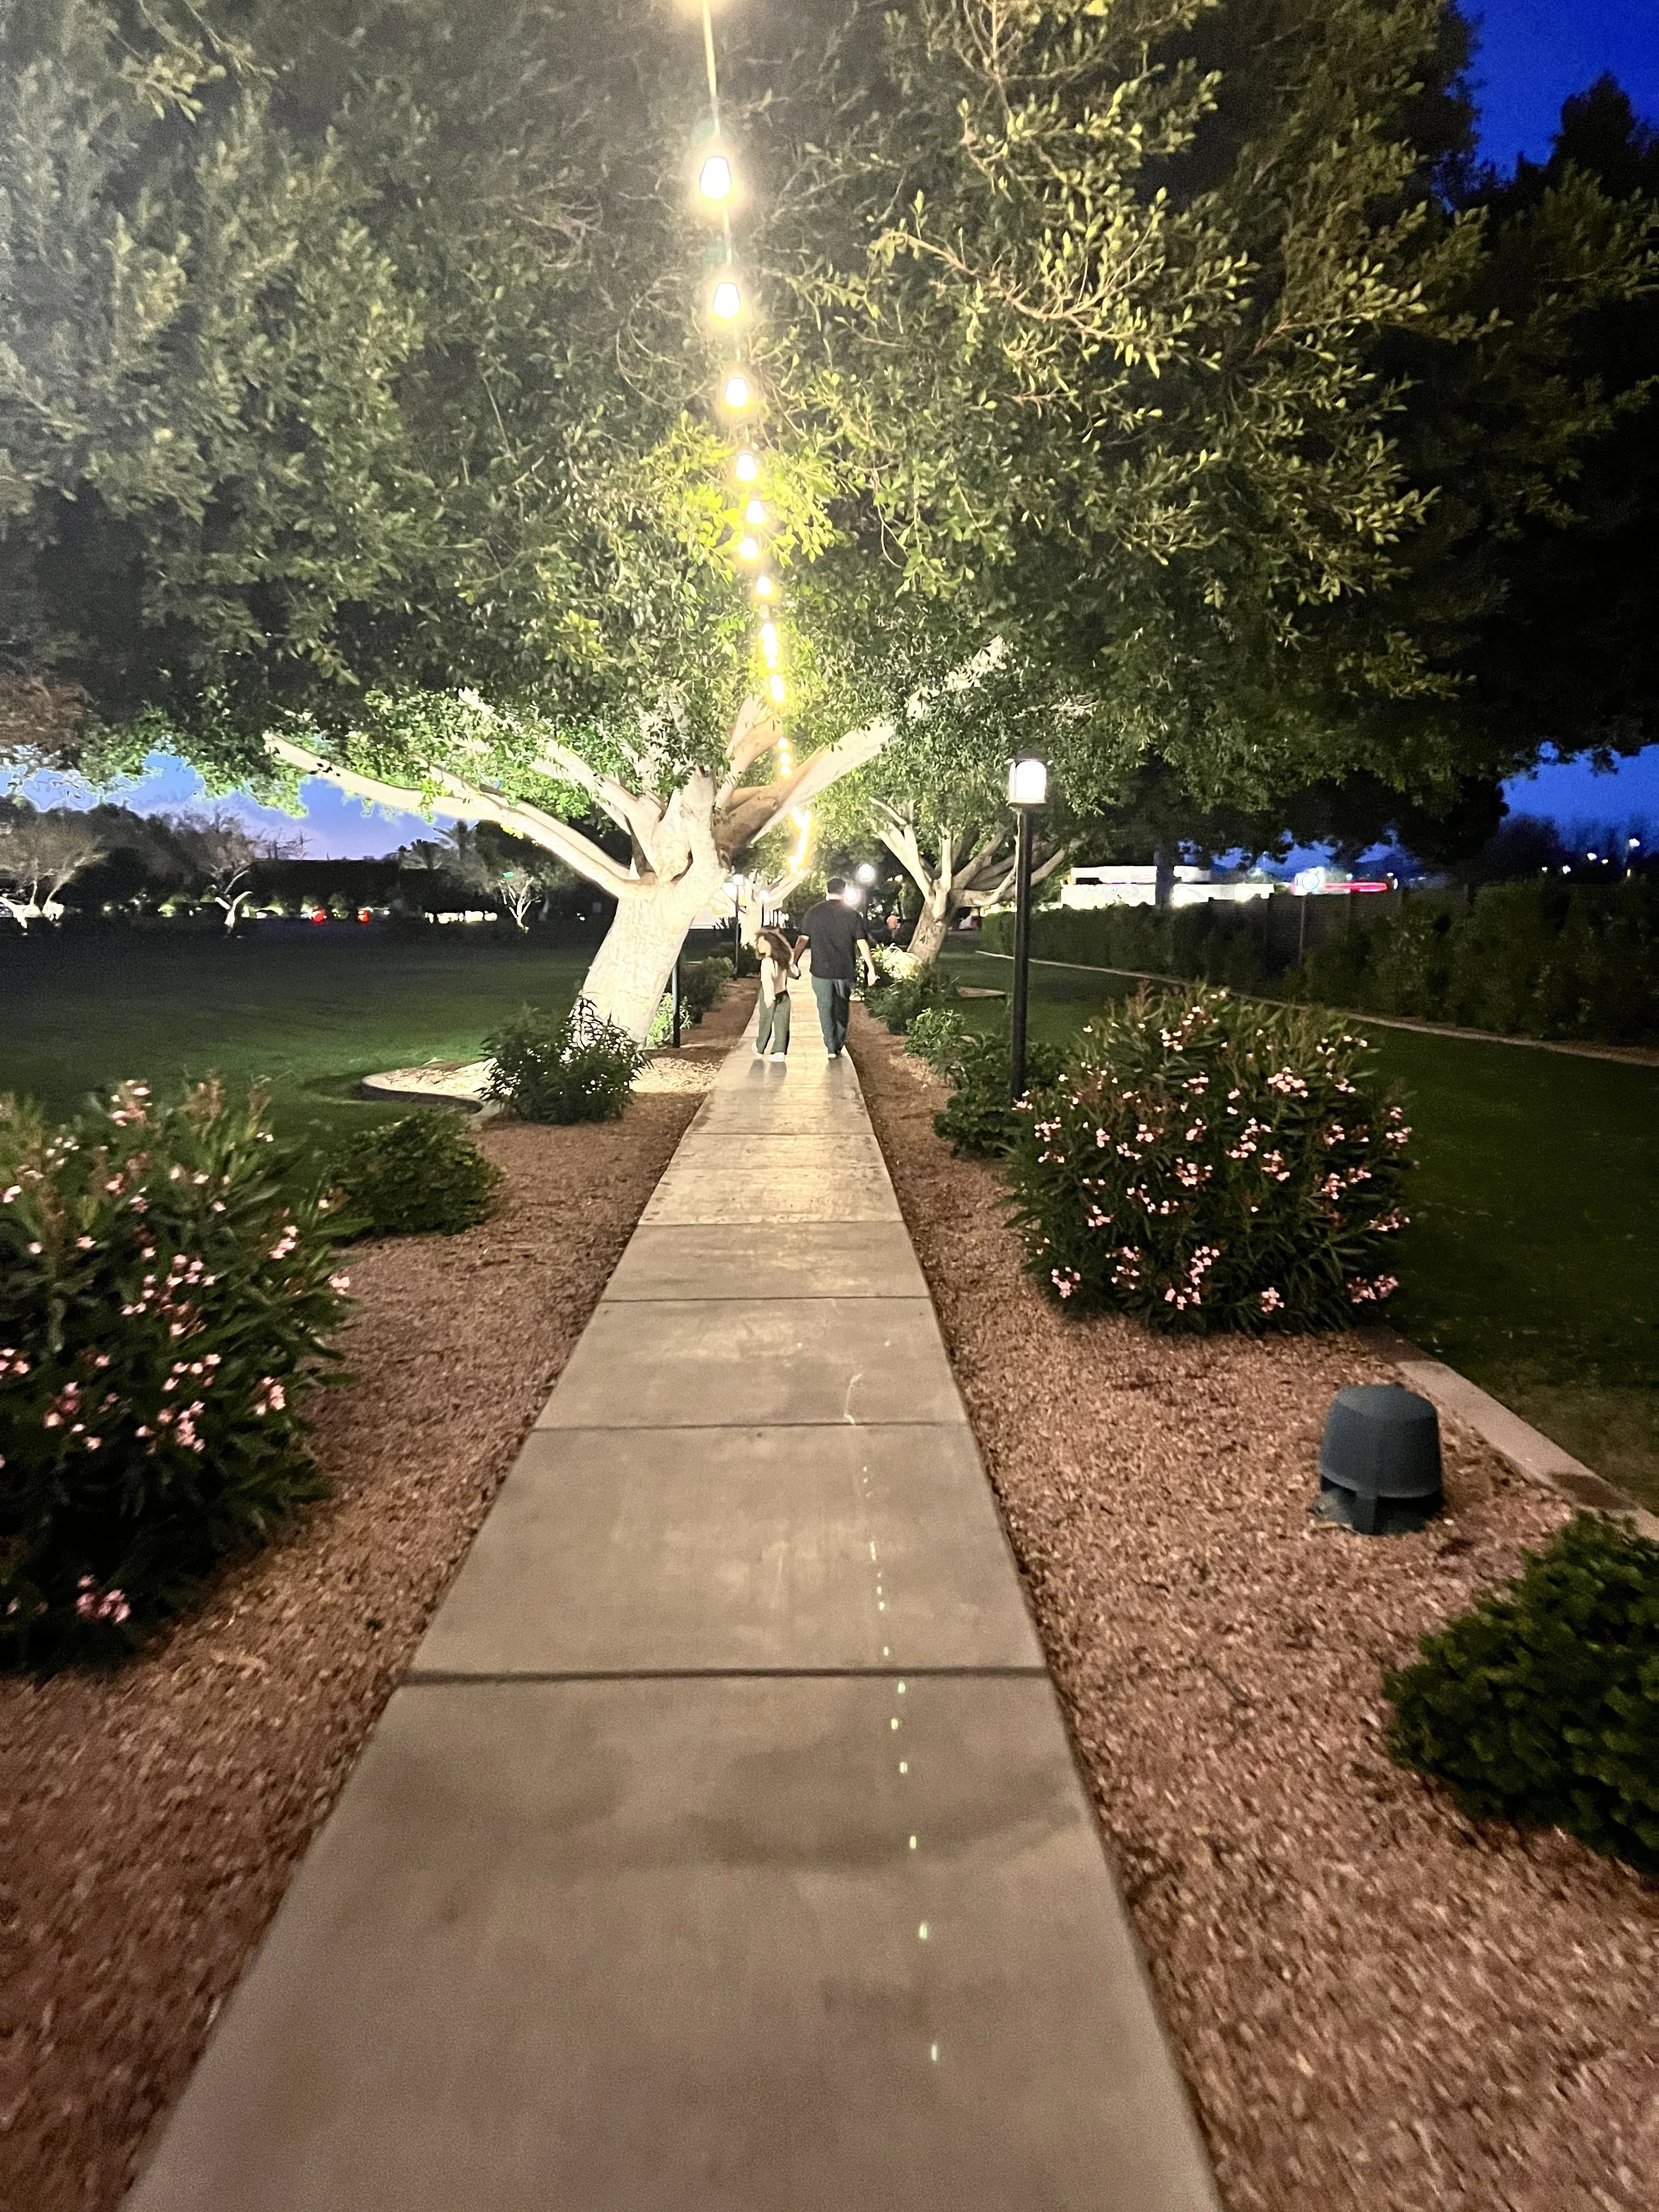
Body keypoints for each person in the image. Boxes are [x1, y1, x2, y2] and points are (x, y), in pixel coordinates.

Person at [794, 877, 877, 1059]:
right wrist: (871, 969)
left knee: (825, 1007)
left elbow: (803, 940)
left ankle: (830, 1045)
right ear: (844, 891)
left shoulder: (814, 913)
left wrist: (793, 963)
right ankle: (839, 1042)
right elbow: (862, 943)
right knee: (842, 1007)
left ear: (827, 890)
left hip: (820, 971)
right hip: (844, 970)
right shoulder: (852, 914)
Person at [753, 926, 796, 1062]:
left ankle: (761, 1047)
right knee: (781, 1022)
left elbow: (767, 981)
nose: (759, 946)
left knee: (766, 1022)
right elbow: (793, 972)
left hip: (770, 995)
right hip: (783, 995)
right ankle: (779, 1050)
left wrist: (769, 997)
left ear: (771, 943)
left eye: (762, 943)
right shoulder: (780, 961)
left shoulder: (767, 962)